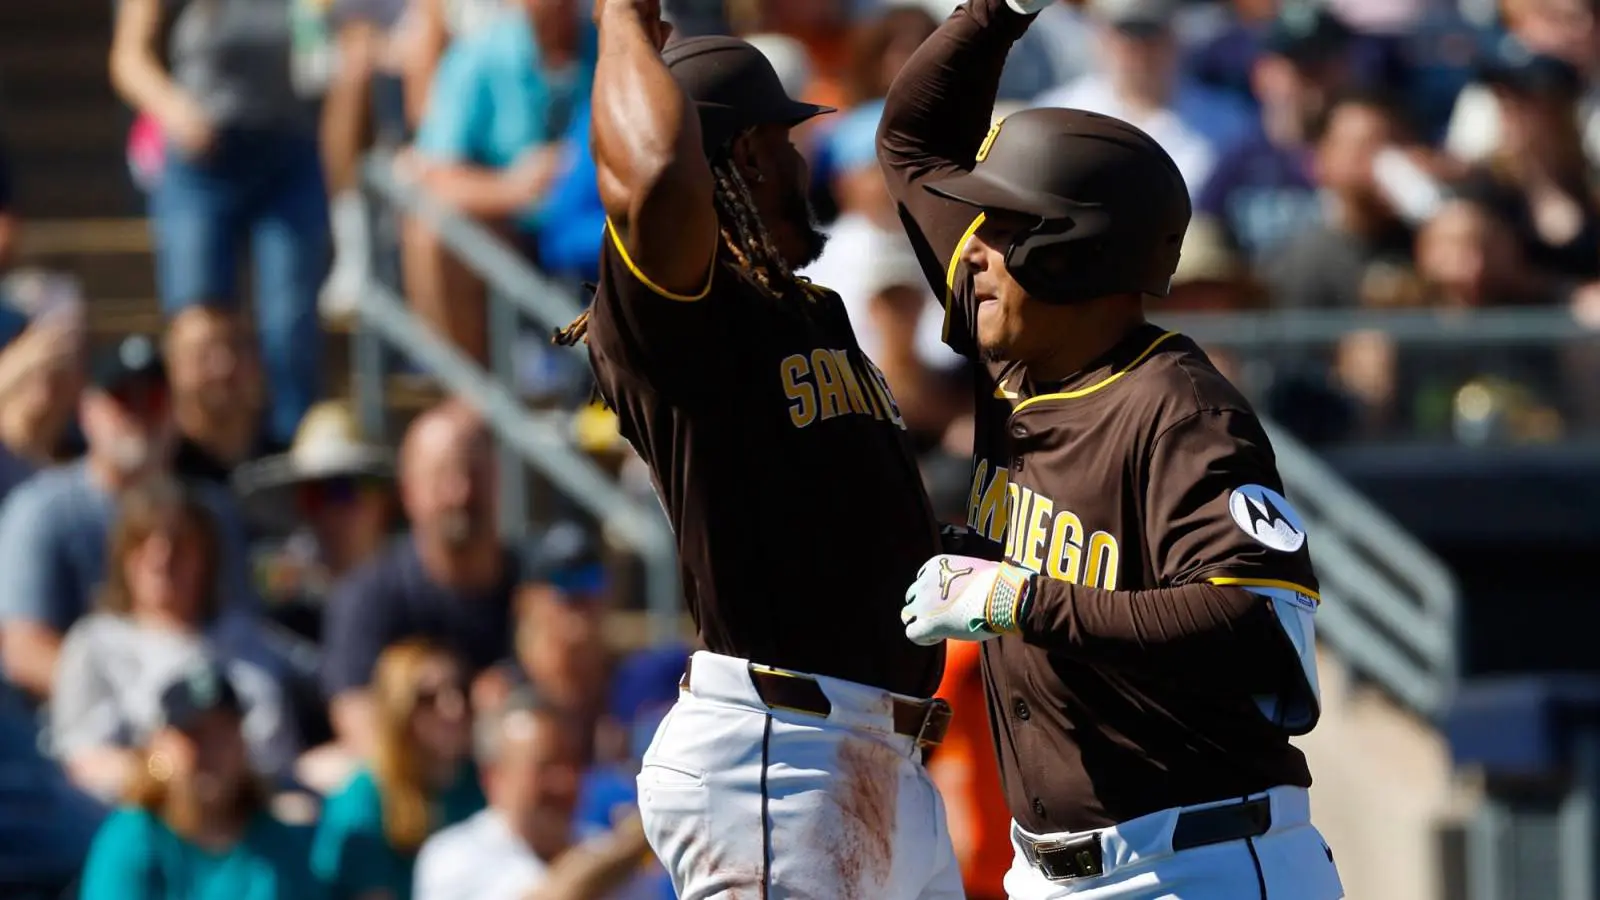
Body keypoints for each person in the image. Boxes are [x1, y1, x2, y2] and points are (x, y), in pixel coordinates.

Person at [879, 1, 1343, 897]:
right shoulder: (1011, 343)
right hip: (1045, 869)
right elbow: (911, 144)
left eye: (1000, 229)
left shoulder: (1181, 407)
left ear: (1071, 253)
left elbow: (1258, 624)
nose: (970, 251)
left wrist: (1022, 600)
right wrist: (998, 12)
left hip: (1202, 862)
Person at [548, 1, 962, 896]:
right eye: (782, 137)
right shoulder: (677, 315)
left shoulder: (810, 309)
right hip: (784, 754)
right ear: (738, 157)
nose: (801, 157)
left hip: (877, 753)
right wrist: (621, 19)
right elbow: (656, 175)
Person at [77, 663, 323, 900]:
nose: (211, 752)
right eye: (196, 736)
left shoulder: (275, 843)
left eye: (223, 734)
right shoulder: (133, 838)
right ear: (161, 746)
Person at [412, 689, 658, 900]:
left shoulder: (604, 850)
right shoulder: (452, 858)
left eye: (571, 765)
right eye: (545, 769)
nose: (563, 782)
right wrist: (630, 844)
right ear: (494, 778)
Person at [313, 640, 485, 900]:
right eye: (428, 699)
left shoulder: (487, 782)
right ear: (398, 710)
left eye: (461, 689)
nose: (454, 708)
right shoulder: (364, 801)